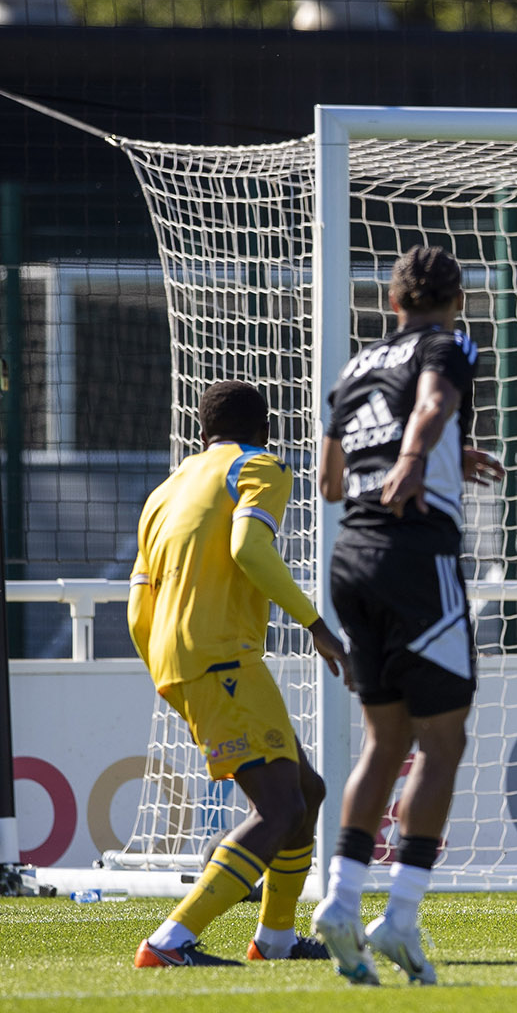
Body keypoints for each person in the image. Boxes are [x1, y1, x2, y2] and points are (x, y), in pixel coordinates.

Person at [311, 246, 506, 985]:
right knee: (443, 744)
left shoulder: (355, 368)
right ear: (455, 301)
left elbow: (332, 482)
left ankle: (339, 900)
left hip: (350, 559)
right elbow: (428, 403)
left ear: (392, 301)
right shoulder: (447, 344)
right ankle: (399, 917)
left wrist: (447, 451)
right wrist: (423, 455)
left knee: (383, 742)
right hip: (415, 555)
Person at [128, 380, 351, 968]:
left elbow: (135, 609)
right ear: (265, 430)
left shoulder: (166, 489)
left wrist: (171, 671)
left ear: (201, 434)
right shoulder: (261, 466)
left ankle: (275, 939)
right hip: (221, 655)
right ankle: (169, 942)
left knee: (307, 792)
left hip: (179, 660)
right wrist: (315, 624)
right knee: (278, 808)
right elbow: (250, 549)